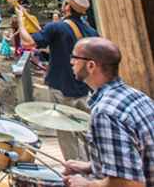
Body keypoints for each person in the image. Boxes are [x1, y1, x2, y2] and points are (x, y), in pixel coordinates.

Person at [18, 0, 98, 161]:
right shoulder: (91, 31)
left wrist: (20, 20)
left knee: (67, 135)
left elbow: (27, 42)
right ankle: (95, 167)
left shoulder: (57, 27)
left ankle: (76, 172)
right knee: (87, 133)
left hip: (61, 88)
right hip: (85, 89)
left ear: (67, 7)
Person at [63, 37, 153, 187]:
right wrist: (91, 166)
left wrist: (86, 184)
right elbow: (141, 156)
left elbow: (130, 183)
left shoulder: (105, 113)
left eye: (75, 57)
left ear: (91, 66)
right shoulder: (137, 96)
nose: (71, 62)